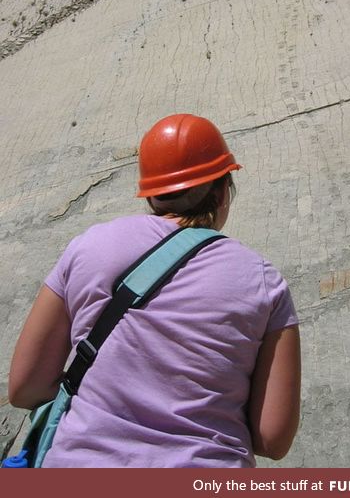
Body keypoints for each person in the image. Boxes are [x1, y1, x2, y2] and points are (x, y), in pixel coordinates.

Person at [8, 113, 301, 468]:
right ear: (224, 189)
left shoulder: (88, 247)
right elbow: (273, 438)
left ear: (150, 195)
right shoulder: (264, 281)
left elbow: (25, 389)